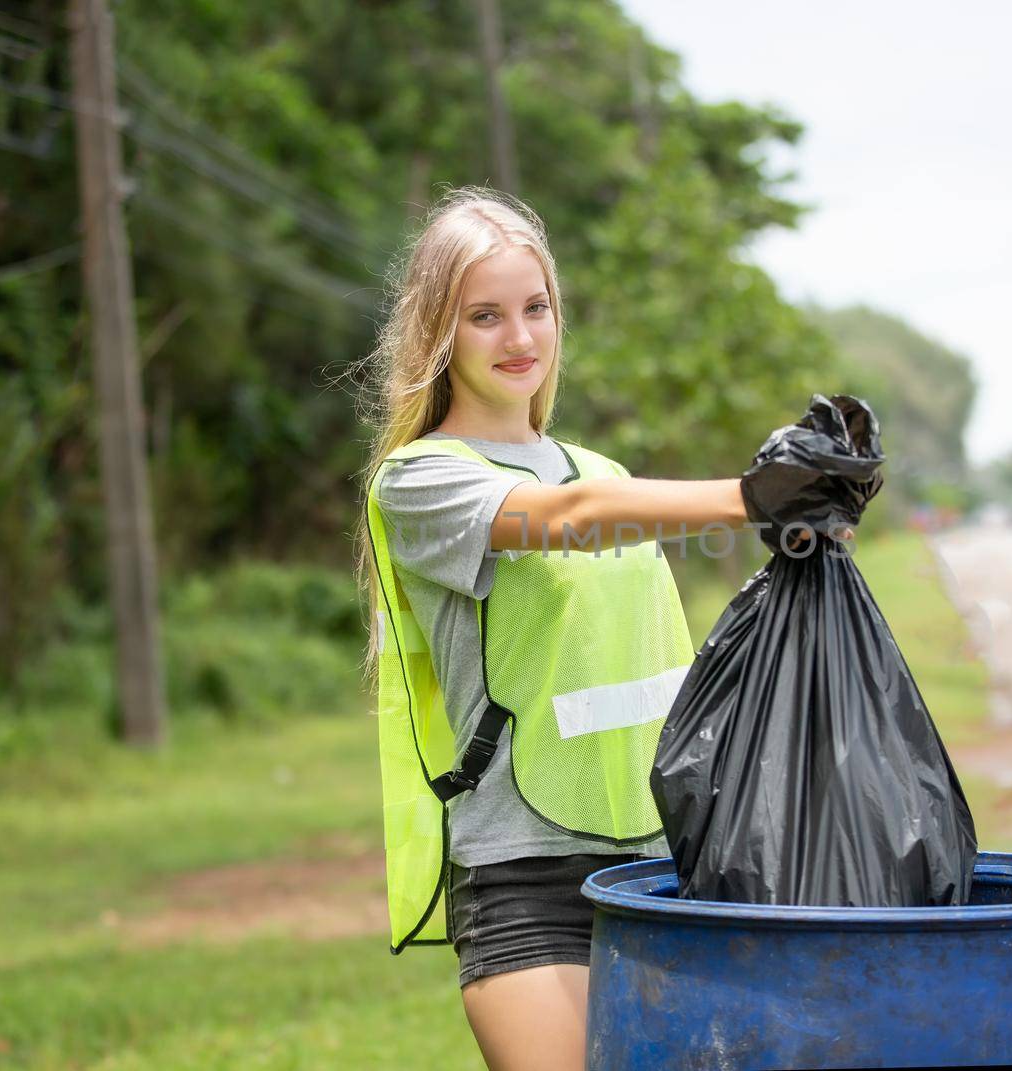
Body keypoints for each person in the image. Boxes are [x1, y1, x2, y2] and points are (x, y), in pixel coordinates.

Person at [354, 186, 850, 1071]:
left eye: (536, 308)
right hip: (523, 879)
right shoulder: (422, 480)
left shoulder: (602, 470)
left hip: (663, 871)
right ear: (440, 331)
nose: (520, 338)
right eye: (485, 316)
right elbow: (570, 517)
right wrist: (751, 497)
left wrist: (807, 521)